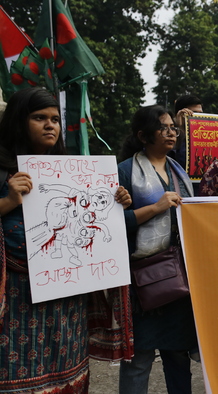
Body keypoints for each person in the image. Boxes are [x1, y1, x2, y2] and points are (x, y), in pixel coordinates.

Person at [0, 87, 132, 393]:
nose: (50, 125)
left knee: (67, 374)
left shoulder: (70, 171)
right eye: (39, 118)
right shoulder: (4, 169)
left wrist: (116, 201)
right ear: (19, 121)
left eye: (55, 119)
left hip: (65, 299)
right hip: (17, 301)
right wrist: (8, 200)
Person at [118, 105, 197, 393]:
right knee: (138, 359)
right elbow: (114, 224)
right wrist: (156, 207)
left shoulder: (180, 170)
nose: (170, 133)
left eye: (172, 128)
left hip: (178, 278)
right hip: (142, 282)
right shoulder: (125, 172)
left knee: (177, 354)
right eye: (163, 128)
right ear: (143, 135)